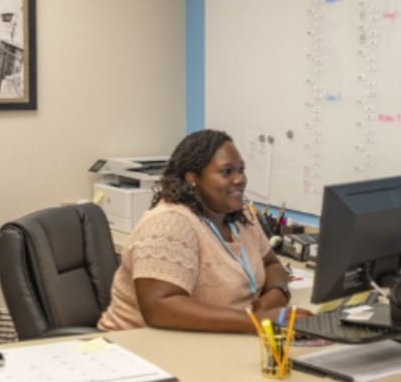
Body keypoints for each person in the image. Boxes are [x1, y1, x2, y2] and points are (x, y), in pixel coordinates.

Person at [98, 129, 312, 333]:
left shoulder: (242, 216)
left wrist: (276, 295)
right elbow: (159, 307)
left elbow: (272, 264)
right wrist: (259, 321)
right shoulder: (170, 224)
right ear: (192, 178)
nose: (240, 179)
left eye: (241, 170)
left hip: (221, 335)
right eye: (226, 172)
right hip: (139, 345)